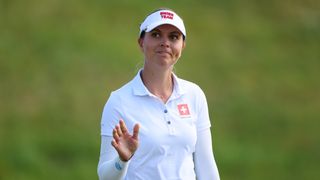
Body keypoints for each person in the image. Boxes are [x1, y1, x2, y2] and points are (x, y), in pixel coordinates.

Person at [97, 8, 220, 180]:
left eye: (173, 37)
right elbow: (105, 177)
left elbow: (206, 167)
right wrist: (122, 160)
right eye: (156, 35)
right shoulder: (119, 101)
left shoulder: (194, 95)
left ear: (182, 46)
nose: (165, 42)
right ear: (141, 42)